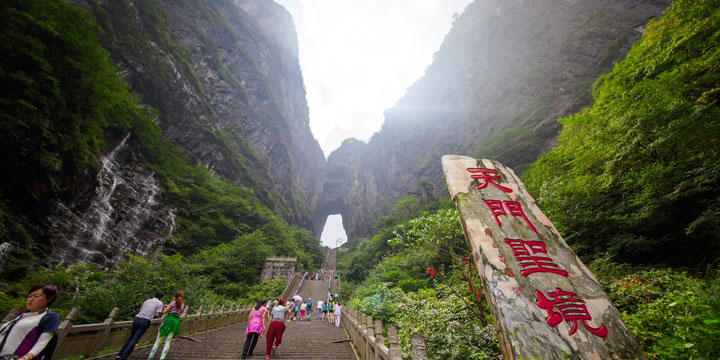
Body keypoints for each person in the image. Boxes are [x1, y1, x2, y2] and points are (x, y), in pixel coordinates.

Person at [0, 284, 60, 360]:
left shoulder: (50, 316)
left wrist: (26, 357)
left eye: (37, 296)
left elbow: (43, 341)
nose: (31, 299)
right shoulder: (22, 316)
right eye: (30, 296)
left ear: (49, 298)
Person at [116, 291, 165, 360]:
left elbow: (141, 309)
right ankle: (123, 357)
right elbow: (157, 314)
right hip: (145, 321)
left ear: (154, 294)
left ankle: (119, 354)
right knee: (135, 339)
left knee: (131, 337)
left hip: (137, 318)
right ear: (162, 297)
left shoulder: (147, 300)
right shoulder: (160, 303)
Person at [148, 291, 184, 360]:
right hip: (175, 323)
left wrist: (167, 307)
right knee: (168, 342)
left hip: (168, 322)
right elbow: (178, 311)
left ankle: (150, 357)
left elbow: (164, 312)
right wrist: (169, 307)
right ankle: (162, 358)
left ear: (174, 297)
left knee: (158, 340)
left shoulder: (173, 302)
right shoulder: (182, 304)